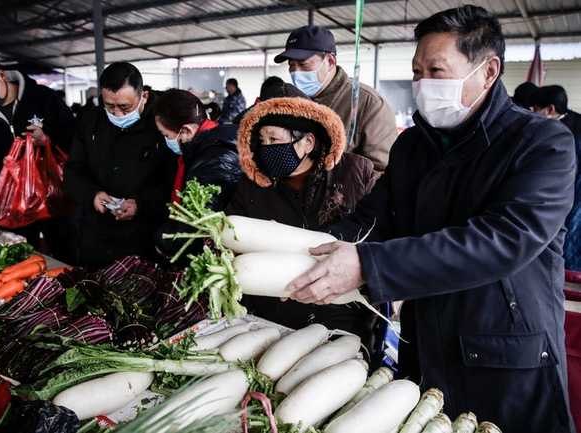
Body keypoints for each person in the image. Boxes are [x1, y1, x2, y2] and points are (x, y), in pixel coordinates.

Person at [285, 6, 576, 433]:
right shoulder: (413, 148)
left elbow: (504, 240)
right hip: (427, 343)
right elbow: (374, 220)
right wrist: (309, 250)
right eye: (417, 72)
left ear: (488, 70)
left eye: (436, 71)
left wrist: (369, 264)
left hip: (505, 353)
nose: (422, 85)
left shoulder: (541, 144)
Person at [226, 95, 378, 350]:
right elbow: (233, 241)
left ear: (308, 141)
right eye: (262, 141)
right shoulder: (250, 186)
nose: (266, 148)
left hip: (344, 313)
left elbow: (380, 230)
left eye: (274, 139)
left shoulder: (355, 173)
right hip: (275, 315)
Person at [0, 51, 74, 260]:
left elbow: (73, 140)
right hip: (10, 206)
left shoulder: (43, 98)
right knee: (18, 260)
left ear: (1, 75)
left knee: (66, 252)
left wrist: (46, 140)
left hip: (54, 198)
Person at [65, 62, 176, 268]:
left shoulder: (163, 123)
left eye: (125, 107)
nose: (117, 114)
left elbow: (172, 179)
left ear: (143, 95)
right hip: (97, 231)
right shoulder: (89, 121)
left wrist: (141, 204)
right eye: (109, 106)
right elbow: (73, 170)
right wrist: (92, 194)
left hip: (145, 234)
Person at [274, 25, 397, 177]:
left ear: (330, 61)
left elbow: (382, 173)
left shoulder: (368, 105)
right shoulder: (292, 103)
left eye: (303, 64)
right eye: (291, 65)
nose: (295, 73)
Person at [153, 88, 242, 256]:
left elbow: (196, 228)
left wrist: (162, 240)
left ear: (186, 130)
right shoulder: (213, 140)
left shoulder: (214, 161)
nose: (166, 141)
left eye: (166, 135)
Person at [533, 85, 581, 272]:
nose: (533, 114)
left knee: (569, 235)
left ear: (550, 109)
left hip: (573, 193)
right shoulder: (575, 121)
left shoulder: (557, 133)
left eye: (536, 109)